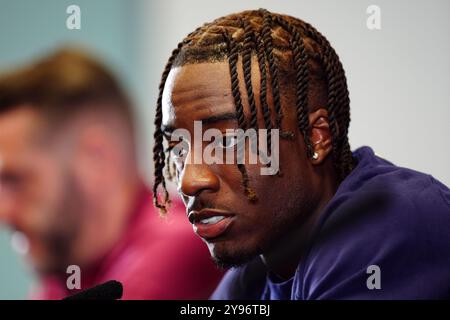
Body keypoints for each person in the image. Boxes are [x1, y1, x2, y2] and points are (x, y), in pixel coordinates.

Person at [153, 9, 450, 299]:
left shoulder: (390, 222)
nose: (189, 181)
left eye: (227, 142)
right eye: (178, 147)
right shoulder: (256, 270)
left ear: (315, 138)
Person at [0, 48, 223, 299]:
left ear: (96, 156)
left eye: (15, 180)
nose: (3, 212)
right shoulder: (65, 275)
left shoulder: (177, 246)